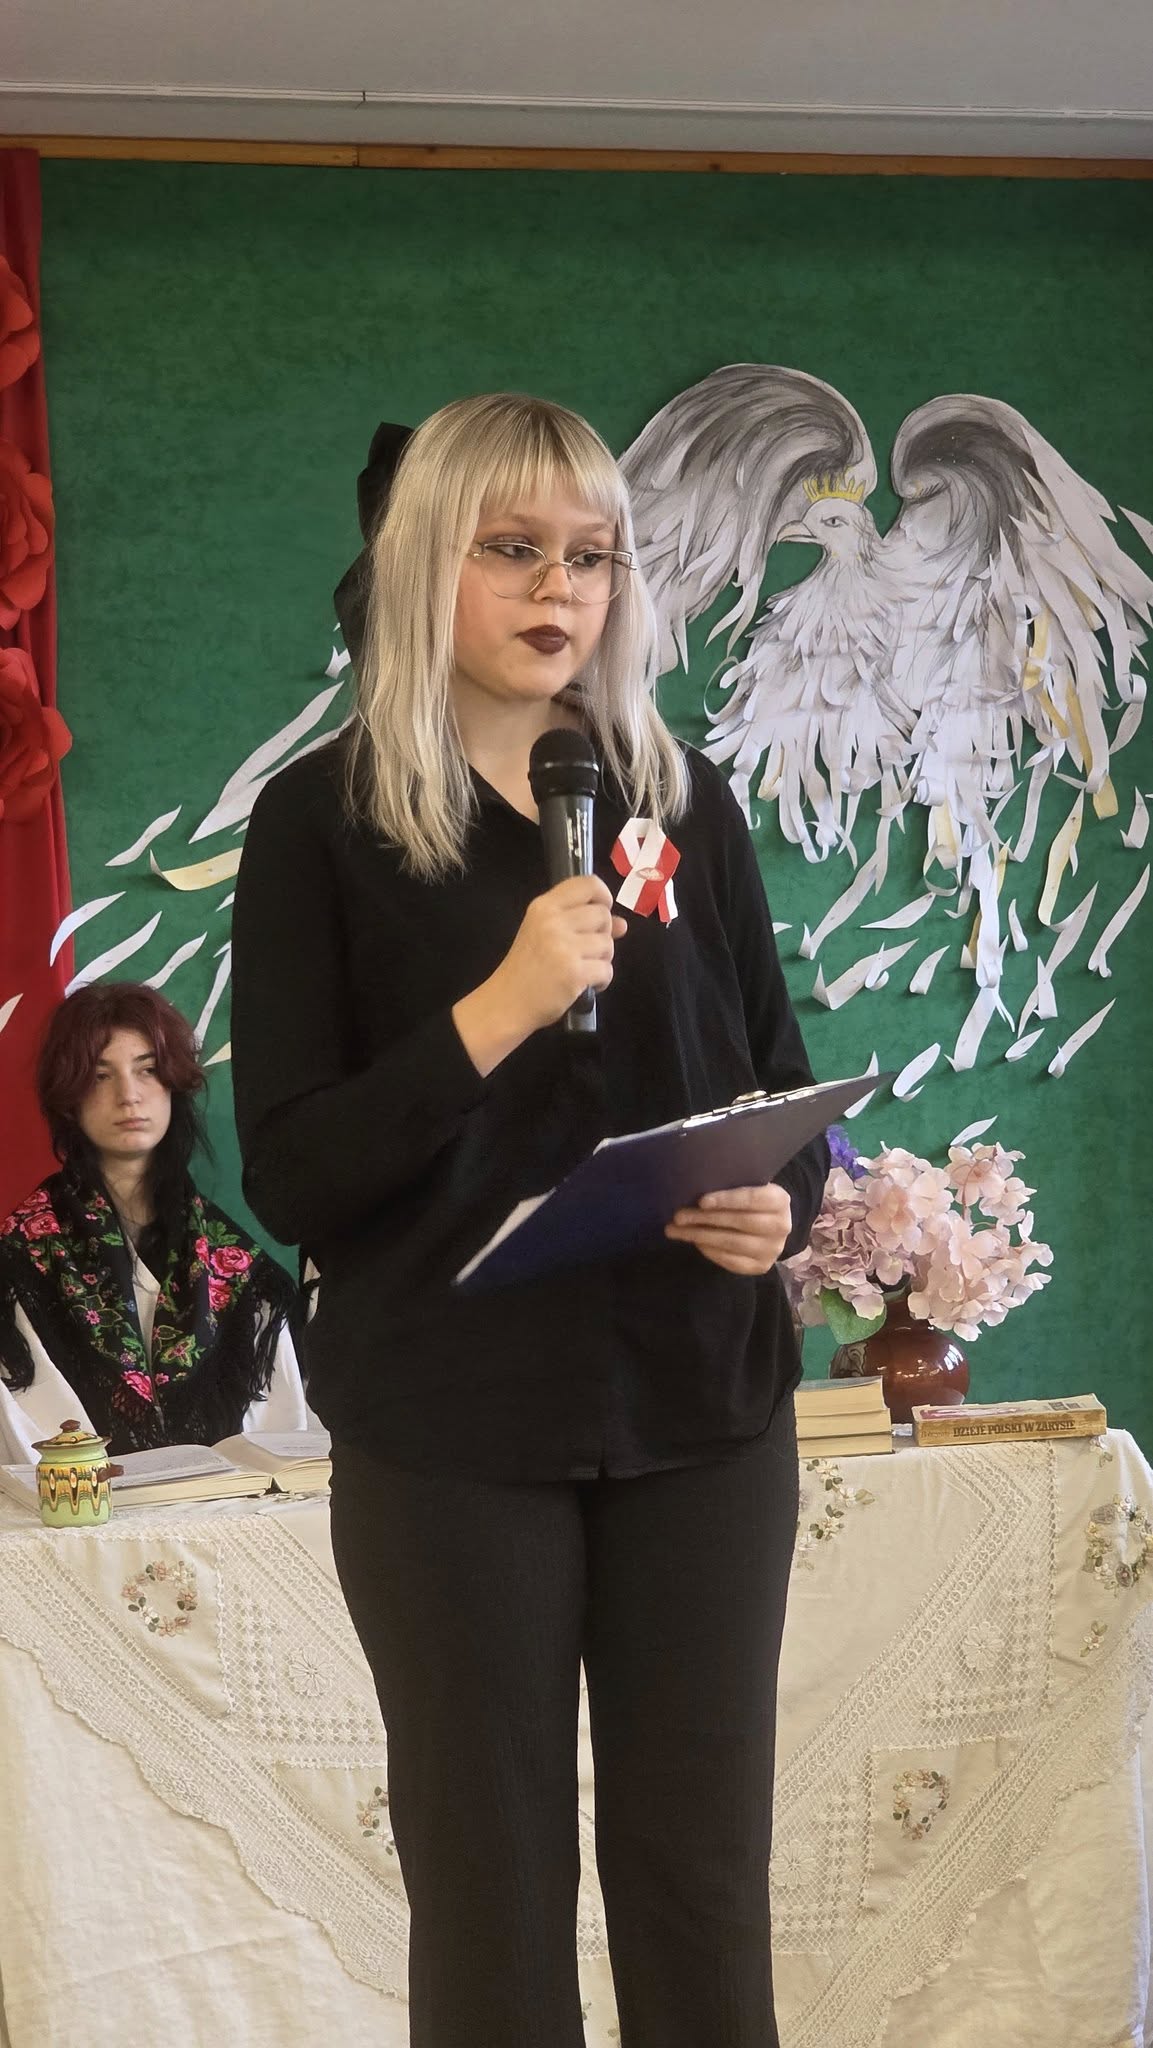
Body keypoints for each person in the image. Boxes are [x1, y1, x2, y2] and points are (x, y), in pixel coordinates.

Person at [230, 393, 828, 2048]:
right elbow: (293, 1172)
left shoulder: (680, 800)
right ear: (423, 561)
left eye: (590, 556)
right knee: (492, 1897)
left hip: (701, 1410)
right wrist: (494, 1010)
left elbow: (776, 1081)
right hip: (452, 1431)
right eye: (512, 550)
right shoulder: (321, 823)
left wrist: (771, 1205)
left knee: (699, 1884)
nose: (559, 590)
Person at [0, 981, 307, 1460]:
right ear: (69, 1098)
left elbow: (282, 1430)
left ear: (172, 1084)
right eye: (100, 1076)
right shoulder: (22, 1257)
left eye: (147, 1070)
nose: (129, 1096)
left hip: (225, 1499)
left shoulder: (234, 1262)